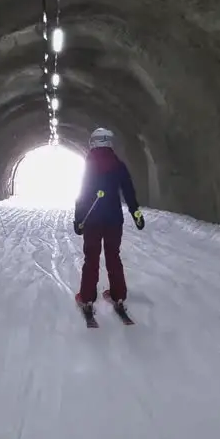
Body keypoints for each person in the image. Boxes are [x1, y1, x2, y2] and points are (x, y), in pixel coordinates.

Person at [73, 127, 145, 312]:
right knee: (113, 256)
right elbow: (129, 191)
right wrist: (136, 213)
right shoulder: (118, 165)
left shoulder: (89, 165)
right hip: (114, 219)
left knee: (91, 258)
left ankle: (87, 297)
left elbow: (83, 193)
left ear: (94, 142)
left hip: (92, 219)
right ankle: (118, 294)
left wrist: (78, 219)